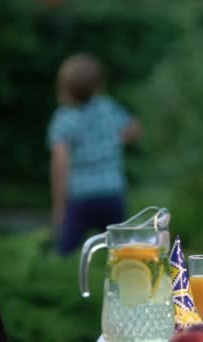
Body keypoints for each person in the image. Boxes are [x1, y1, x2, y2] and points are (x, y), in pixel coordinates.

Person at [48, 53, 142, 255]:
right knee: (119, 251)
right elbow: (134, 128)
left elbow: (60, 164)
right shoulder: (107, 107)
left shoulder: (64, 119)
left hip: (81, 196)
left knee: (66, 251)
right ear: (98, 86)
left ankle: (66, 283)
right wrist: (112, 142)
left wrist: (59, 206)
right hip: (112, 192)